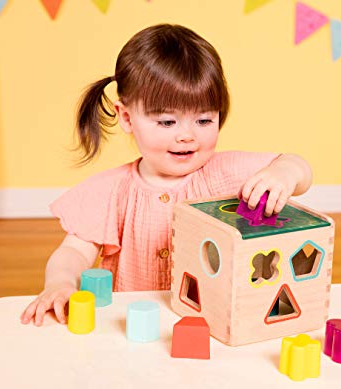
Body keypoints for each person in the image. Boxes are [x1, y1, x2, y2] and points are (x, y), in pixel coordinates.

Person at [20, 24, 312, 326]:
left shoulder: (225, 173)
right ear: (127, 118)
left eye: (203, 119)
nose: (187, 136)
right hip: (131, 323)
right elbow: (73, 252)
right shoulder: (111, 190)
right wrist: (60, 284)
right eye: (167, 122)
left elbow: (296, 166)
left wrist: (285, 173)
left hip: (209, 320)